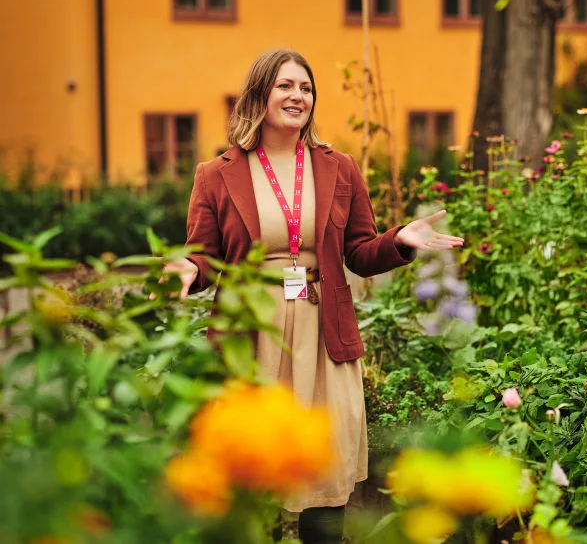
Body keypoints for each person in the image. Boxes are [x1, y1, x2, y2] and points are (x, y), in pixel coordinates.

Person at [162, 49, 464, 543]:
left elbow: (361, 253)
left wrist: (400, 239)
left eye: (305, 88)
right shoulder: (215, 174)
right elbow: (204, 258)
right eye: (285, 85)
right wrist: (184, 269)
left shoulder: (339, 168)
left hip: (324, 337)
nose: (297, 96)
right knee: (251, 472)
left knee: (326, 476)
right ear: (259, 93)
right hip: (253, 336)